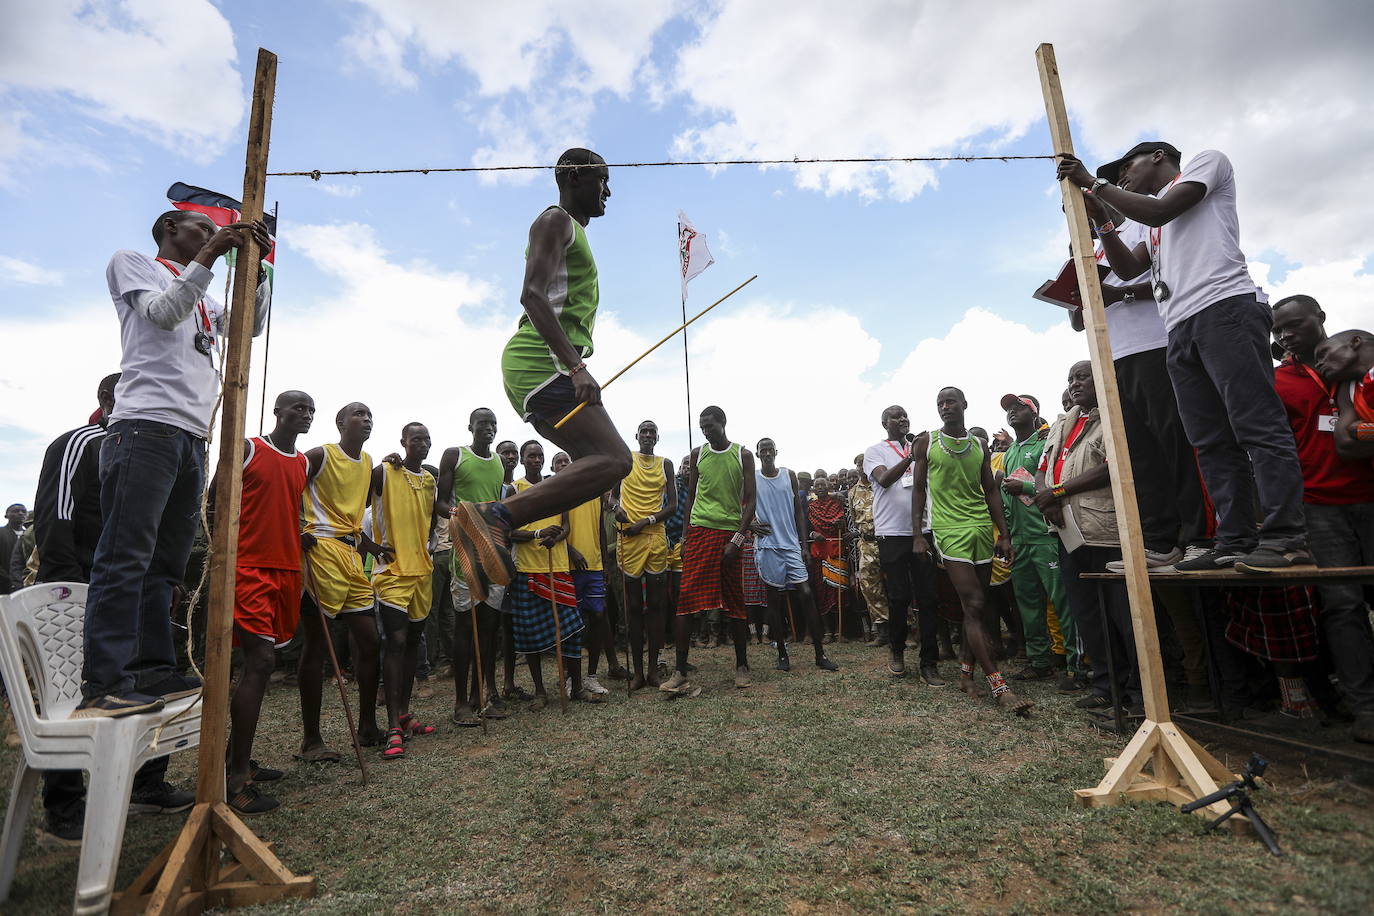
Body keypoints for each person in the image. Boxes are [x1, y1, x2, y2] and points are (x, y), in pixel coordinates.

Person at [1058, 143, 1308, 572]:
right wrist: (1102, 221)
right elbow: (1132, 268)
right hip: (1180, 326)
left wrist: (1094, 183)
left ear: (1157, 155)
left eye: (1125, 170)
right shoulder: (1152, 225)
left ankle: (1287, 536)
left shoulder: (1204, 165)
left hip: (1224, 307)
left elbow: (1158, 211)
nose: (1121, 180)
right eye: (1115, 179)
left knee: (1255, 424)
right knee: (1210, 442)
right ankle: (1234, 539)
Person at [77, 209, 272, 716]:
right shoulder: (133, 263)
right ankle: (105, 682)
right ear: (169, 226)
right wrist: (211, 254)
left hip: (192, 435)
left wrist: (258, 269)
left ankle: (152, 669)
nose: (210, 236)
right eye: (201, 229)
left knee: (166, 564)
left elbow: (245, 328)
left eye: (212, 232)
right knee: (126, 557)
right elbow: (163, 314)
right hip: (145, 426)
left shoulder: (203, 296)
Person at [451, 149, 632, 601]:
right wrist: (576, 366)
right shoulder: (555, 221)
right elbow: (532, 296)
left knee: (593, 467)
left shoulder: (572, 231)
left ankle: (480, 539)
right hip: (542, 362)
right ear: (573, 176)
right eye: (602, 180)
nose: (608, 191)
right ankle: (495, 515)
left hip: (538, 368)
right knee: (616, 460)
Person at [31, 374, 193, 843]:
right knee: (68, 694)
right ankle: (63, 808)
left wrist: (165, 580)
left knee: (151, 679)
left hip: (133, 594)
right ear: (108, 399)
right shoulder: (81, 443)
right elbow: (55, 517)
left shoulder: (159, 447)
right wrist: (70, 588)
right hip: (76, 588)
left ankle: (147, 783)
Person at [1069, 198, 1212, 570]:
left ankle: (1199, 536)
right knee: (1140, 455)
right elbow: (1079, 320)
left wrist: (1122, 294)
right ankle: (1160, 542)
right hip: (1114, 357)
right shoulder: (1088, 250)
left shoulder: (1143, 228)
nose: (1078, 215)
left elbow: (1171, 281)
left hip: (1156, 345)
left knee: (1176, 445)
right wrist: (1075, 285)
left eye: (1084, 206)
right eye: (1071, 212)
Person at [911, 388, 1031, 715]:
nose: (945, 407)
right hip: (948, 531)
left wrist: (1003, 534)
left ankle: (966, 676)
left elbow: (990, 489)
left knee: (976, 608)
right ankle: (999, 686)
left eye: (951, 401)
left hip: (980, 527)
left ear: (964, 405)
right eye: (940, 403)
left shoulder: (978, 444)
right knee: (974, 602)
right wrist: (918, 535)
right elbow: (919, 489)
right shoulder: (926, 442)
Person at [224, 391, 313, 811]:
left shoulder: (302, 463)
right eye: (298, 407)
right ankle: (236, 779)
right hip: (249, 568)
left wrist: (299, 536)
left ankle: (237, 760)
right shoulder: (248, 448)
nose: (306, 414)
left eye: (311, 409)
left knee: (266, 660)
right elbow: (215, 500)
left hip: (287, 568)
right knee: (259, 662)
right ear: (277, 411)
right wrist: (223, 558)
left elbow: (286, 508)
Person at [1036, 362, 1139, 713]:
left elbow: (1114, 465)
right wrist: (1044, 498)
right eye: (1070, 379)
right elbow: (1042, 468)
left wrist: (1058, 491)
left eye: (1082, 377)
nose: (1075, 383)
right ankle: (1105, 685)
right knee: (1087, 614)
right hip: (1067, 531)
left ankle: (1139, 692)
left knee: (1123, 616)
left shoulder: (1113, 414)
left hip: (1104, 531)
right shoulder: (1064, 421)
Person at [297, 402, 390, 758]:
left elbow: (354, 516)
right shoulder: (320, 455)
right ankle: (311, 739)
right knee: (318, 644)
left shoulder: (368, 463)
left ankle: (367, 726)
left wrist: (372, 546)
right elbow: (288, 489)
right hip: (319, 550)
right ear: (340, 422)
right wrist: (294, 529)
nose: (367, 419)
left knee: (369, 641)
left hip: (352, 556)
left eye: (370, 415)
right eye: (359, 414)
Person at [1308, 325, 1374, 742]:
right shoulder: (1349, 389)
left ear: (1354, 342)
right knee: (1343, 605)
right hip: (1326, 507)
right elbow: (1347, 444)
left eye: (1323, 352)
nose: (1319, 362)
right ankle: (1366, 707)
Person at [668, 407, 757, 695]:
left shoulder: (742, 454)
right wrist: (684, 538)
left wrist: (738, 539)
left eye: (710, 426)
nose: (706, 431)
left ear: (723, 423)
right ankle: (680, 671)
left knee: (735, 601)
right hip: (699, 531)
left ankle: (742, 666)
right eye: (702, 427)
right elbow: (691, 497)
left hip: (729, 532)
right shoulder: (697, 455)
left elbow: (751, 500)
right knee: (686, 601)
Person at [998, 394, 1082, 691]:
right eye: (1008, 409)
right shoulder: (1008, 453)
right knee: (1028, 604)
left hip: (1045, 535)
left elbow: (1055, 481)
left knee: (1062, 601)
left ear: (1035, 413)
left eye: (1019, 407)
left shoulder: (1045, 443)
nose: (1012, 412)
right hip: (1020, 540)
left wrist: (1027, 485)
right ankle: (1039, 662)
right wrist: (1005, 535)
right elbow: (1006, 501)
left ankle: (1077, 666)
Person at [509, 441, 598, 707]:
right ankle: (540, 692)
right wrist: (537, 534)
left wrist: (556, 537)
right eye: (531, 456)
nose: (536, 460)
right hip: (527, 569)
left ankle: (578, 687)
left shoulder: (558, 487)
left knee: (571, 630)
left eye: (539, 456)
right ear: (523, 460)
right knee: (530, 634)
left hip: (558, 566)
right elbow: (508, 531)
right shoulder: (514, 489)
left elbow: (566, 525)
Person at [436, 409, 510, 725]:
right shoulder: (455, 455)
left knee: (490, 627)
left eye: (493, 423)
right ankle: (461, 703)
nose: (489, 428)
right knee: (466, 628)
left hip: (493, 553)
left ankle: (487, 693)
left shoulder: (499, 464)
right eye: (483, 424)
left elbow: (500, 506)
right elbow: (439, 503)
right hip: (465, 554)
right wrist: (459, 514)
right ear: (471, 427)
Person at [371, 423, 440, 760]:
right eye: (417, 439)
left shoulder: (429, 480)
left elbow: (432, 517)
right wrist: (368, 545)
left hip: (421, 571)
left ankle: (404, 715)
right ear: (403, 442)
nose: (423, 444)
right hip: (392, 571)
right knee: (394, 643)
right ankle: (392, 727)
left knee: (413, 643)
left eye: (428, 439)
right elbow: (354, 506)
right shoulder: (384, 471)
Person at [862, 406, 944, 685]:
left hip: (922, 531)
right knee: (898, 598)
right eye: (895, 416)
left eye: (905, 415)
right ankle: (896, 651)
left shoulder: (921, 449)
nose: (902, 419)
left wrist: (917, 452)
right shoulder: (875, 451)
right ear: (884, 423)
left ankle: (929, 662)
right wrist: (911, 455)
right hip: (892, 533)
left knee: (929, 598)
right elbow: (884, 480)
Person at [752, 438, 838, 673]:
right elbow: (741, 503)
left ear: (776, 452)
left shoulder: (788, 475)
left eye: (770, 450)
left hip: (790, 545)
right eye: (763, 451)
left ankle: (820, 654)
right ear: (758, 454)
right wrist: (749, 523)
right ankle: (782, 653)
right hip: (768, 546)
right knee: (775, 600)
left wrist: (802, 544)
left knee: (807, 593)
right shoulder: (753, 477)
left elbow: (800, 512)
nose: (767, 453)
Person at [612, 420, 676, 690]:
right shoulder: (625, 460)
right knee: (634, 607)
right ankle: (637, 672)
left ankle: (653, 671)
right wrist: (616, 507)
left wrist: (647, 521)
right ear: (636, 436)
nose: (648, 435)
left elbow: (672, 505)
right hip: (628, 538)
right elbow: (612, 498)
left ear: (658, 437)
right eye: (644, 431)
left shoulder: (666, 464)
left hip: (654, 537)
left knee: (657, 607)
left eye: (652, 432)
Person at [848, 453, 889, 647]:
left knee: (896, 584)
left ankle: (909, 631)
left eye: (863, 464)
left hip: (887, 540)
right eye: (857, 464)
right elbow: (855, 519)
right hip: (866, 543)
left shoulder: (881, 484)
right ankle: (882, 631)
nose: (860, 467)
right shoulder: (852, 492)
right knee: (869, 586)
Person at [807, 475, 847, 640]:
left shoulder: (837, 504)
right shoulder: (811, 507)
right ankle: (827, 631)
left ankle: (839, 631)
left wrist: (841, 524)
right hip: (819, 553)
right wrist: (813, 533)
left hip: (837, 550)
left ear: (829, 486)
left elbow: (845, 525)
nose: (820, 487)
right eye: (818, 485)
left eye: (823, 484)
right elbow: (805, 527)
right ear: (814, 489)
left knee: (838, 592)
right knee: (821, 592)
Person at [0, 503, 24, 594]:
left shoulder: (29, 535)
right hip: (3, 586)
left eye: (23, 511)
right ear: (6, 516)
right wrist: (9, 579)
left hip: (27, 585)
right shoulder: (1, 533)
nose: (21, 513)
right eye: (16, 511)